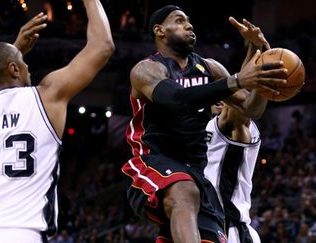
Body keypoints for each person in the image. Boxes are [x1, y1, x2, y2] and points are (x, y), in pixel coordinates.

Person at [121, 5, 287, 243]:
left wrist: (261, 64)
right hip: (152, 161)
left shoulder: (210, 68)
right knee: (183, 190)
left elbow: (251, 109)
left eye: (188, 20)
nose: (188, 25)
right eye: (179, 21)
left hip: (196, 174)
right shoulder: (146, 69)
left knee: (195, 210)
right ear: (159, 30)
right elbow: (177, 99)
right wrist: (238, 79)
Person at [0, 0, 114, 242]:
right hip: (21, 231)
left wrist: (15, 48)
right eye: (24, 64)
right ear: (14, 69)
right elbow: (103, 46)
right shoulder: (46, 97)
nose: (28, 68)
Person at [204, 19, 273, 243]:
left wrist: (256, 50)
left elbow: (241, 87)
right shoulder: (205, 126)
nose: (219, 100)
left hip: (230, 229)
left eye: (224, 98)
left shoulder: (236, 125)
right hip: (210, 223)